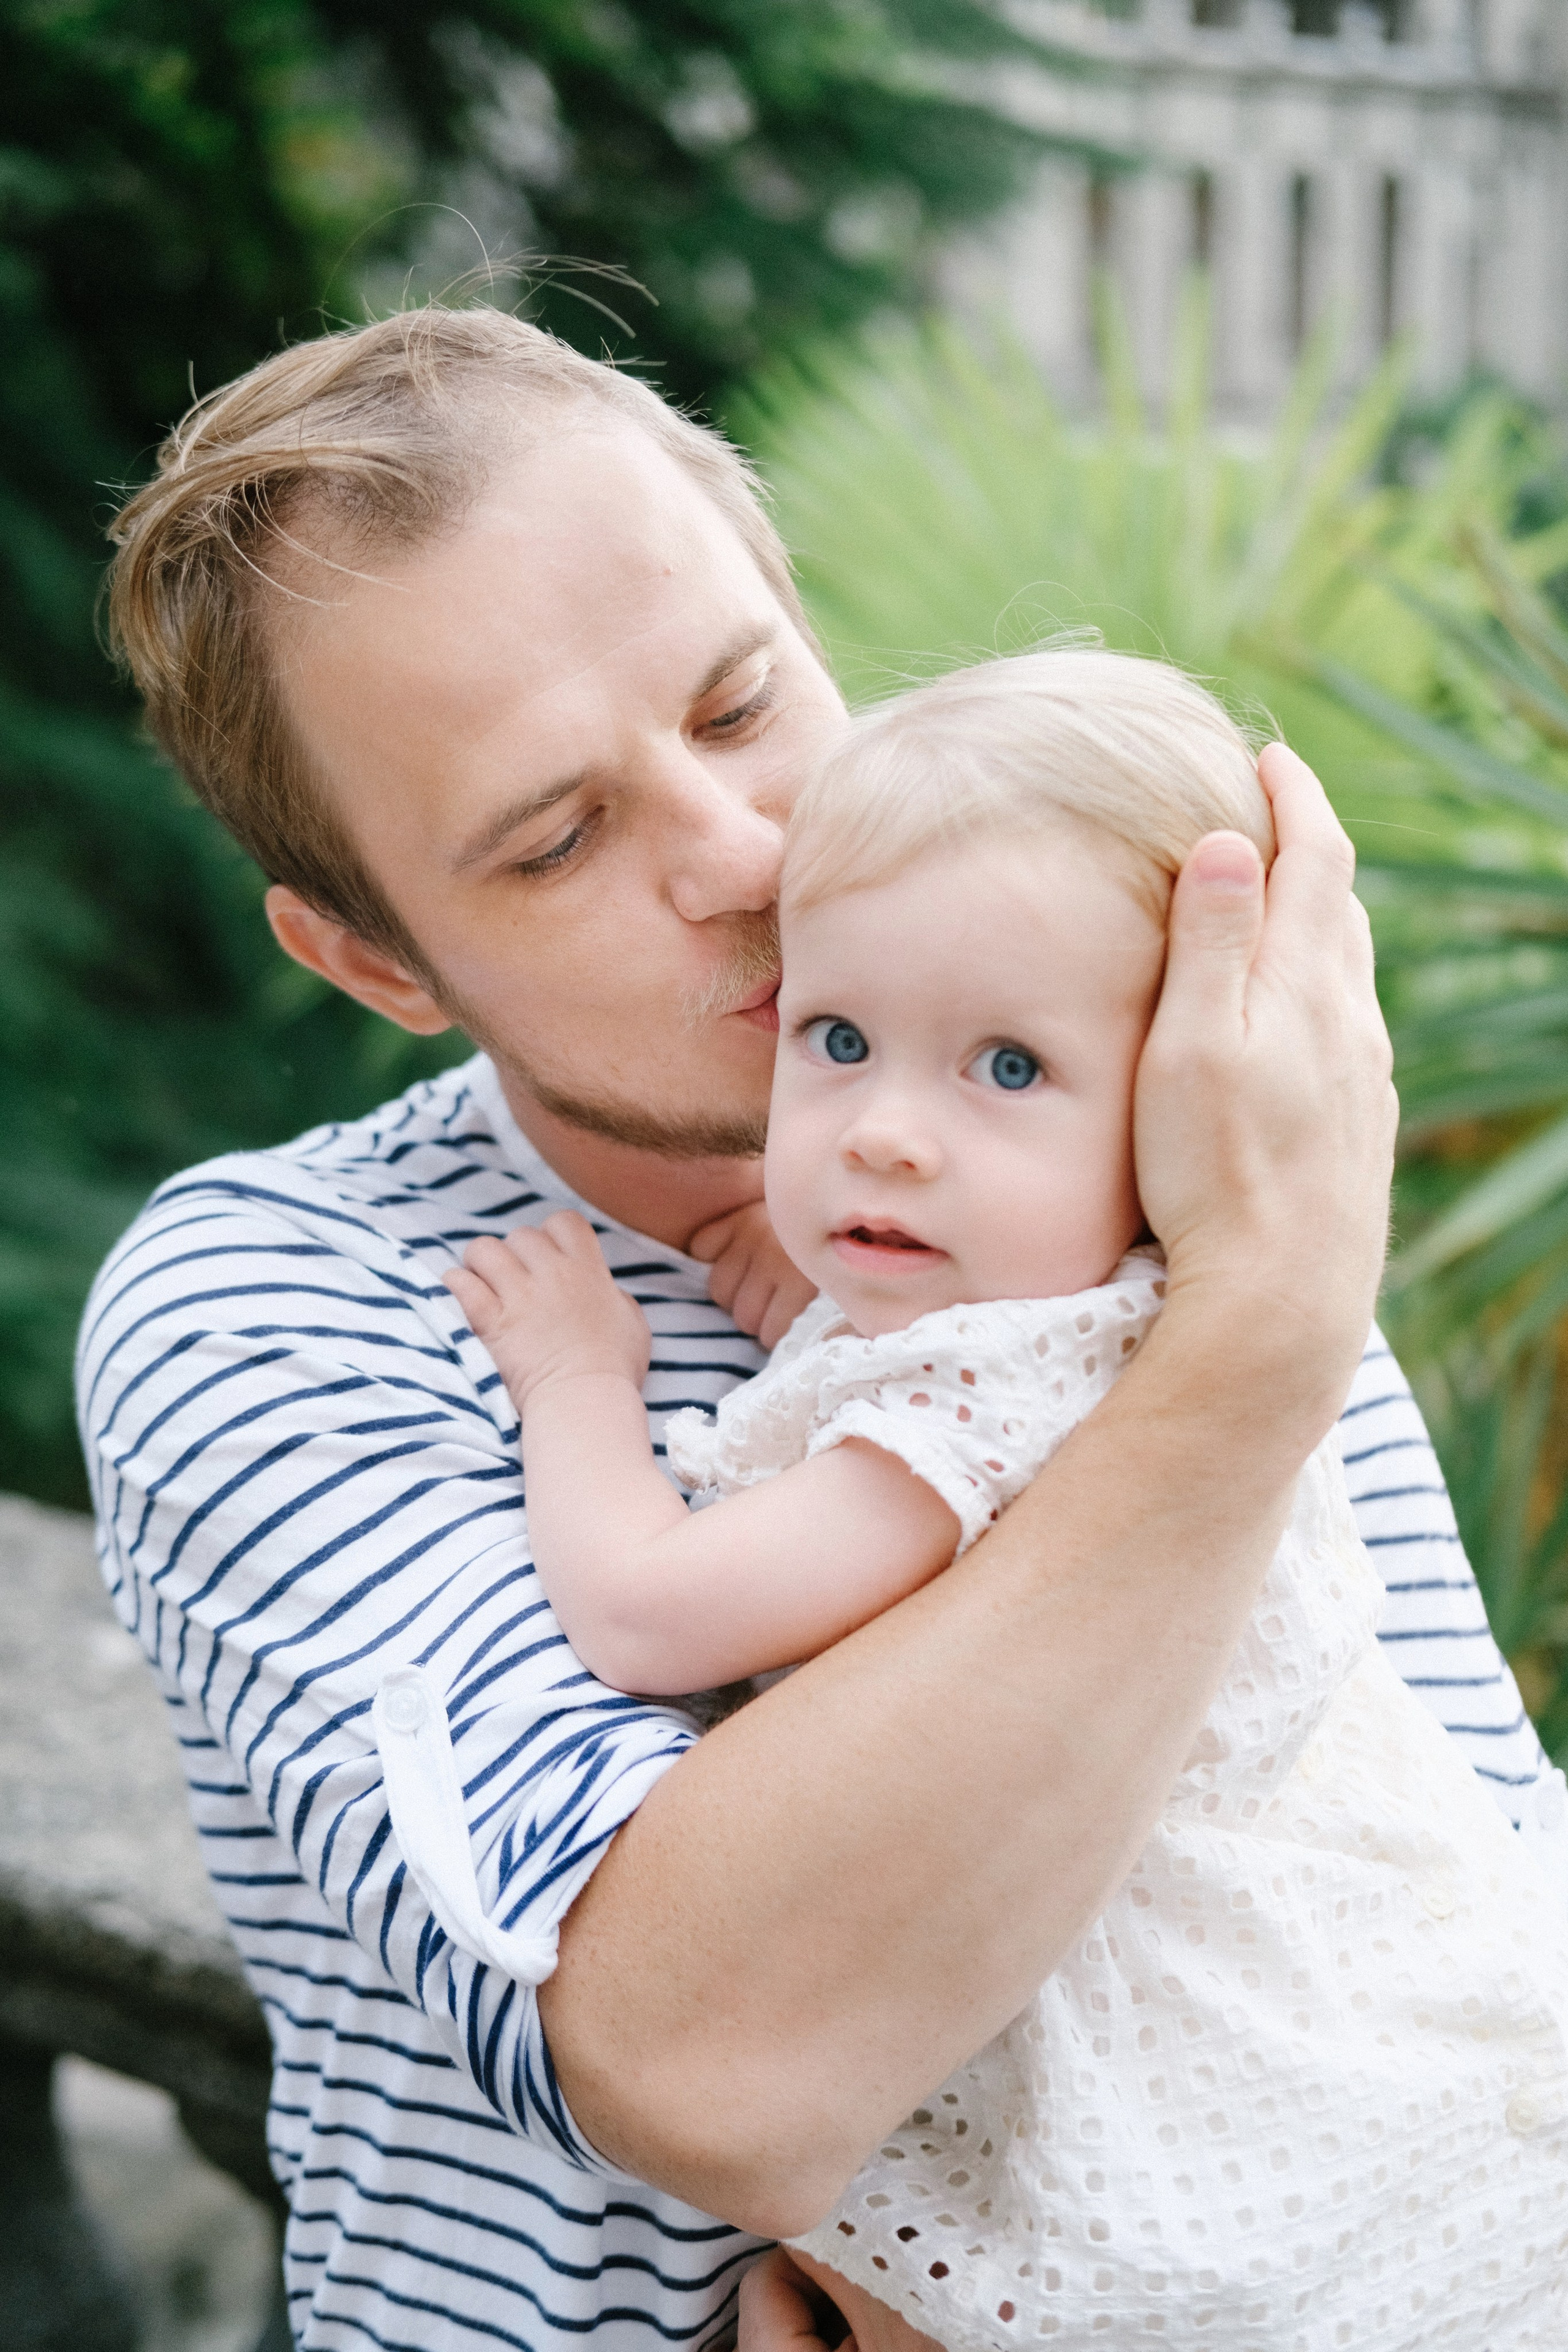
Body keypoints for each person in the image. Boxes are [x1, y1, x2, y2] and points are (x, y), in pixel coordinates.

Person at [78, 305, 1556, 2352]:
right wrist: (1249, 1336)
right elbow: (716, 2072)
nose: (745, 856)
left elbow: (1454, 1897)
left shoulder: (1150, 1192)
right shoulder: (293, 1309)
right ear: (374, 958)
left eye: (741, 700)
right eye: (559, 838)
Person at [439, 646, 1568, 2348]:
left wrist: (578, 1385)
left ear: (1193, 1110)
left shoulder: (1003, 1398)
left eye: (1009, 1071)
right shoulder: (1118, 1329)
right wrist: (813, 1284)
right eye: (837, 1039)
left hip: (1193, 2092)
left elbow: (647, 1608)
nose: (885, 1135)